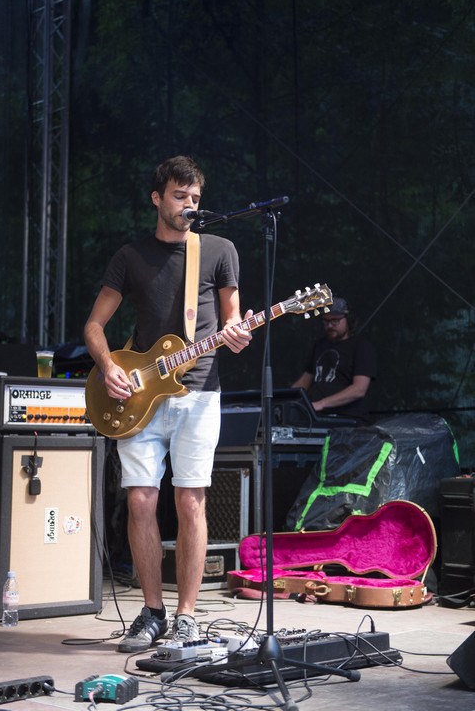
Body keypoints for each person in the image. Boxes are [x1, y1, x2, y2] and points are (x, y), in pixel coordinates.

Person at [84, 155, 252, 654]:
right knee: (141, 499)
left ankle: (187, 616)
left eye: (196, 198)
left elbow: (232, 318)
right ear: (157, 198)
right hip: (140, 392)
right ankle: (152, 611)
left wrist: (237, 333)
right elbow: (94, 325)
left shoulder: (219, 250)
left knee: (190, 501)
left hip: (199, 393)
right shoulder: (131, 255)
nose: (189, 205)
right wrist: (108, 366)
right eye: (180, 196)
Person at [291, 295, 376, 426]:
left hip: (348, 420)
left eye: (335, 320)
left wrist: (321, 404)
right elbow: (304, 381)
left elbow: (359, 389)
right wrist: (285, 401)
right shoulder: (320, 345)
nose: (329, 325)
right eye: (326, 321)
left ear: (348, 320)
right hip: (317, 418)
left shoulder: (361, 347)